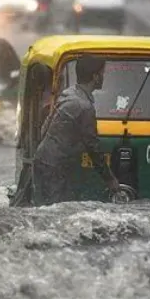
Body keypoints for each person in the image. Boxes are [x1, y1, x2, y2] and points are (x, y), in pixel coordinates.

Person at [33, 55, 121, 205]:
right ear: (95, 77)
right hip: (55, 167)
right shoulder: (84, 107)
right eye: (103, 73)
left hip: (43, 159)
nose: (103, 77)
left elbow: (45, 128)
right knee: (55, 211)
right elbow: (93, 147)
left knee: (46, 209)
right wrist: (110, 179)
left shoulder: (69, 94)